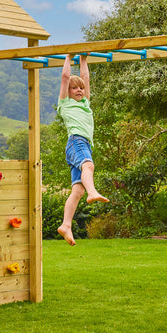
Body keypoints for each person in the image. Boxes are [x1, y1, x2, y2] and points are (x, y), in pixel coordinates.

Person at [56, 54, 109, 245]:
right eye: (74, 88)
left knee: (77, 191)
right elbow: (65, 77)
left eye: (80, 88)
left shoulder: (85, 102)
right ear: (67, 91)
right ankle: (92, 192)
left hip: (83, 144)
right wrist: (69, 57)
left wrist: (84, 59)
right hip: (76, 141)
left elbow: (86, 78)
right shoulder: (65, 103)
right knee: (88, 165)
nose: (79, 90)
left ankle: (66, 225)